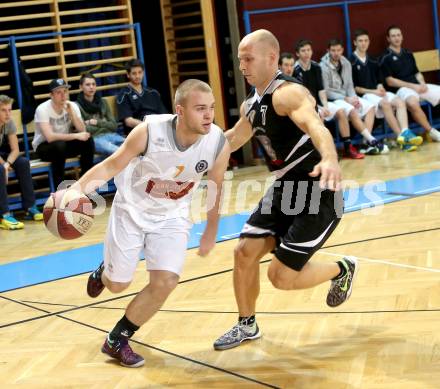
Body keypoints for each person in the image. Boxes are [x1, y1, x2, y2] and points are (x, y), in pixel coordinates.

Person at [213, 30, 358, 351]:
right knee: (244, 252)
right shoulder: (252, 102)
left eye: (248, 59)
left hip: (319, 194)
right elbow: (234, 138)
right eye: (239, 60)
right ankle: (246, 325)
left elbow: (315, 126)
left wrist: (332, 158)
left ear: (271, 58)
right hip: (286, 189)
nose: (242, 67)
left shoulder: (288, 94)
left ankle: (342, 268)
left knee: (280, 277)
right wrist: (188, 154)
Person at [70, 79, 230, 367]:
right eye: (200, 109)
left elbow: (216, 187)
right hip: (131, 209)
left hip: (173, 214)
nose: (208, 115)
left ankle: (117, 338)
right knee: (118, 284)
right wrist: (75, 190)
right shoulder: (149, 131)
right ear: (180, 111)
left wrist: (211, 230)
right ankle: (105, 271)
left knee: (166, 280)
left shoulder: (217, 142)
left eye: (212, 108)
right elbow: (110, 165)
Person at [351, 28, 422, 152]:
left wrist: (380, 87)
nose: (363, 43)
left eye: (366, 40)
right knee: (385, 104)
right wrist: (374, 91)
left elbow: (379, 80)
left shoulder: (373, 60)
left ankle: (405, 132)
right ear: (355, 43)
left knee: (400, 102)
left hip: (376, 92)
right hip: (365, 95)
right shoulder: (350, 62)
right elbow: (355, 88)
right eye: (360, 41)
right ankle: (401, 139)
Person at [293, 40, 364, 159]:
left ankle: (347, 147)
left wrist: (325, 105)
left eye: (308, 50)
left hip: (320, 103)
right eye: (303, 51)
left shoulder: (316, 66)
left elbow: (321, 90)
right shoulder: (296, 70)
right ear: (297, 54)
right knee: (319, 116)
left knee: (341, 112)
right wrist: (320, 108)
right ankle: (322, 153)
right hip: (306, 105)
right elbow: (303, 95)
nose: (306, 53)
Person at [320, 39, 388, 155]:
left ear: (342, 50)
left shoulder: (346, 63)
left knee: (370, 107)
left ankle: (365, 143)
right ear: (328, 51)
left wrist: (354, 98)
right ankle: (372, 140)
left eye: (338, 50)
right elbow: (327, 91)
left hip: (347, 97)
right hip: (334, 100)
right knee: (351, 111)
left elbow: (350, 85)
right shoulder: (323, 66)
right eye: (333, 50)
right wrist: (347, 99)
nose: (336, 53)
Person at [380, 25, 440, 142]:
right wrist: (413, 86)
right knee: (412, 103)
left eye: (398, 35)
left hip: (417, 86)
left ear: (402, 37)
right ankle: (432, 131)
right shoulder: (385, 57)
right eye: (393, 36)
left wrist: (422, 83)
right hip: (402, 89)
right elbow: (390, 81)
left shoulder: (408, 53)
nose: (396, 38)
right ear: (388, 39)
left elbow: (417, 72)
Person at [33, 78, 94, 189]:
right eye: (58, 92)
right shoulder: (42, 109)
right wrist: (75, 136)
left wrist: (72, 114)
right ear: (51, 95)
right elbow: (50, 137)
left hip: (64, 146)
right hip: (44, 147)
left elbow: (82, 130)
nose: (63, 95)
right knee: (59, 145)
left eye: (65, 91)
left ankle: (86, 185)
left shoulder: (72, 106)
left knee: (88, 140)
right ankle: (60, 191)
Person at [0, 95, 42, 229]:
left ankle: (30, 207)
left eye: (9, 110)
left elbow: (15, 150)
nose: (8, 114)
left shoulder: (9, 122)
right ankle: (4, 215)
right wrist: (3, 167)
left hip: (3, 155)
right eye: (3, 110)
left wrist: (7, 164)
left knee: (23, 162)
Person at [75, 73, 124, 156]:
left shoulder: (103, 102)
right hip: (95, 139)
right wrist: (104, 123)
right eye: (88, 84)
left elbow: (114, 126)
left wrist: (95, 122)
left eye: (93, 84)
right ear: (81, 87)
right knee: (120, 153)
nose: (91, 87)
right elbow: (84, 130)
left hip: (111, 135)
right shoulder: (76, 106)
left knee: (133, 146)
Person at [117, 59, 168, 135]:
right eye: (134, 73)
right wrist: (148, 126)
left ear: (143, 73)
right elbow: (128, 121)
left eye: (140, 72)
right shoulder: (124, 94)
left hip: (157, 128)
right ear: (128, 75)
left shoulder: (153, 92)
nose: (137, 76)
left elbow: (164, 115)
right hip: (139, 132)